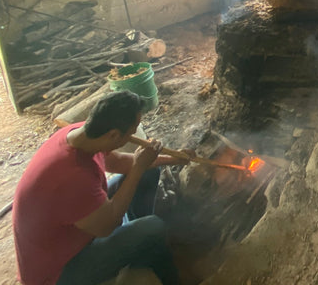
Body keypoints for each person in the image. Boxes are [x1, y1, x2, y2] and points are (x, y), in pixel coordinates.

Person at [12, 90, 188, 285]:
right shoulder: (72, 177)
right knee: (154, 226)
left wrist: (171, 158)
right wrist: (138, 167)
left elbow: (119, 162)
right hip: (59, 272)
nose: (133, 136)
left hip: (77, 231)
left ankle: (138, 245)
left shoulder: (81, 134)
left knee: (148, 171)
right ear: (113, 135)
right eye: (131, 131)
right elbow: (107, 224)